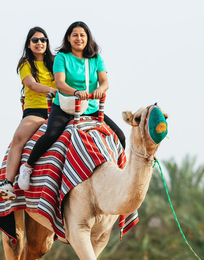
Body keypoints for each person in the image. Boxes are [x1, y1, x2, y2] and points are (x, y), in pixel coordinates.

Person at [18, 21, 126, 190]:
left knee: (120, 136)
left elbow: (105, 82)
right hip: (65, 106)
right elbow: (60, 83)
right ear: (68, 38)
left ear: (88, 38)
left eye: (82, 35)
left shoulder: (96, 59)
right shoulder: (62, 57)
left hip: (90, 108)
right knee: (52, 133)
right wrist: (76, 92)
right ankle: (28, 167)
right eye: (75, 35)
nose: (79, 38)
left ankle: (120, 176)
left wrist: (99, 90)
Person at [0, 27, 56, 200]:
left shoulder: (56, 61)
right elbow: (31, 84)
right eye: (35, 40)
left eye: (43, 40)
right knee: (18, 139)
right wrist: (52, 90)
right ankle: (7, 184)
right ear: (29, 44)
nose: (39, 43)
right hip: (36, 111)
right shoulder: (25, 63)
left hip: (57, 109)